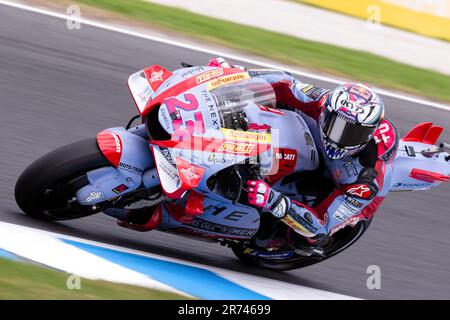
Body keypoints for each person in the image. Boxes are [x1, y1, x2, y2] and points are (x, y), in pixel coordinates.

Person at [208, 57, 399, 255]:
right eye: (336, 125)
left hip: (340, 187)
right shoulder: (322, 100)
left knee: (311, 238)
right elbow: (285, 83)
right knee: (276, 96)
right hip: (311, 144)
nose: (339, 138)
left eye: (351, 133)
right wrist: (235, 75)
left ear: (368, 136)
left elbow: (321, 223)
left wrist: (274, 201)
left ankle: (277, 239)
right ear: (327, 111)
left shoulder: (365, 182)